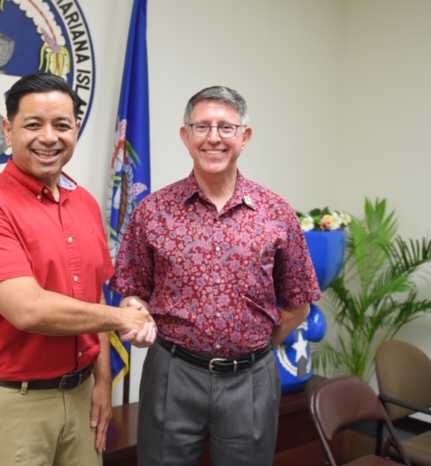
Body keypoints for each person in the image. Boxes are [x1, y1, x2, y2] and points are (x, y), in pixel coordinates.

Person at [109, 85, 322, 466]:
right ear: (185, 136)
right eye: (202, 126)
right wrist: (135, 314)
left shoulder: (276, 213)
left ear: (245, 137)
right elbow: (133, 291)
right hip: (172, 374)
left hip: (251, 379)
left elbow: (299, 303)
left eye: (226, 128)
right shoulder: (153, 211)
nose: (213, 138)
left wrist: (253, 347)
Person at [0, 72, 156, 466]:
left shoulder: (85, 204)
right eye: (33, 124)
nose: (49, 137)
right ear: (8, 131)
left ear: (76, 130)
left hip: (81, 399)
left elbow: (93, 291)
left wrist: (101, 380)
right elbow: (29, 309)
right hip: (12, 405)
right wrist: (123, 318)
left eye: (62, 125)